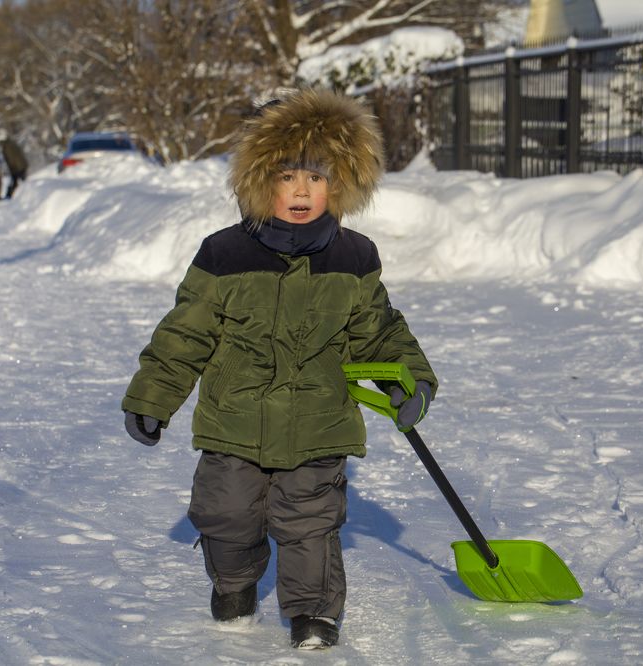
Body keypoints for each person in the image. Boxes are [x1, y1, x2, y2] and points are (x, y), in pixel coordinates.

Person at [121, 88, 437, 650]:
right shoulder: (223, 254)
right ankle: (235, 584)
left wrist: (407, 381)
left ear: (339, 184)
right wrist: (152, 397)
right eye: (287, 176)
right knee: (227, 515)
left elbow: (379, 329)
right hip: (233, 422)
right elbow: (186, 332)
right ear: (259, 181)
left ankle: (313, 613)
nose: (300, 191)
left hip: (319, 423)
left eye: (316, 178)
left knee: (309, 522)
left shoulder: (353, 257)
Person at [0, 133, 28, 198]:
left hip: (17, 167)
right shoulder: (11, 143)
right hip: (21, 165)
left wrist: (12, 167)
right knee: (19, 181)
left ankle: (11, 195)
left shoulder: (7, 146)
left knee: (18, 181)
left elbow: (11, 158)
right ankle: (15, 194)